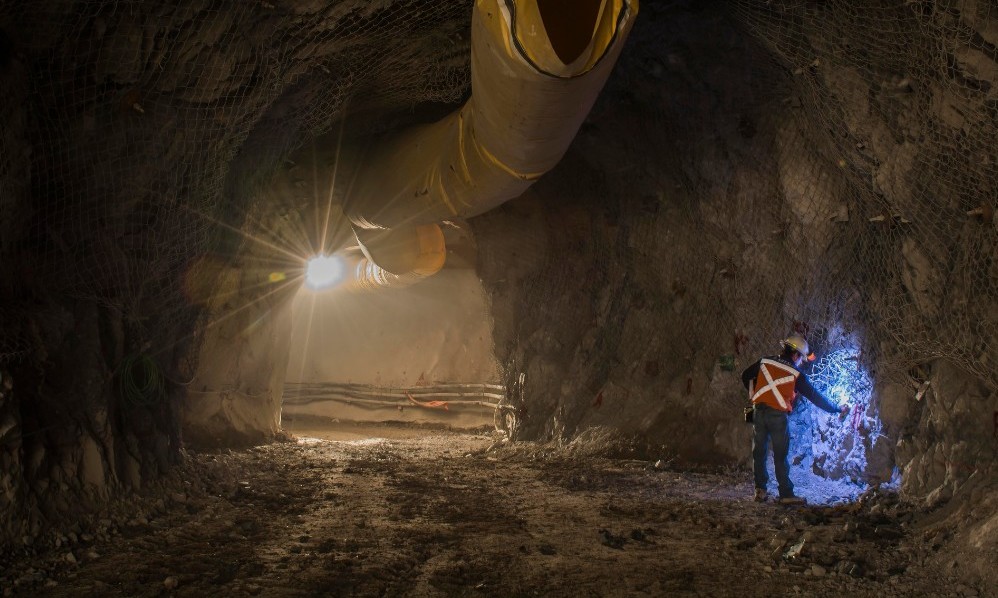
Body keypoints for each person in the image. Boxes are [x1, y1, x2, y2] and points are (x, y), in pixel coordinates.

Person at [741, 334, 849, 505]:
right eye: (802, 359)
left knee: (759, 452)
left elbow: (745, 375)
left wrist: (753, 394)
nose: (801, 363)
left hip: (758, 411)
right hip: (777, 415)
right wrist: (836, 408)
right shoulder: (796, 374)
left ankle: (760, 491)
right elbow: (815, 396)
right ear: (796, 355)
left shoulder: (765, 361)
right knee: (780, 455)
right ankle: (785, 494)